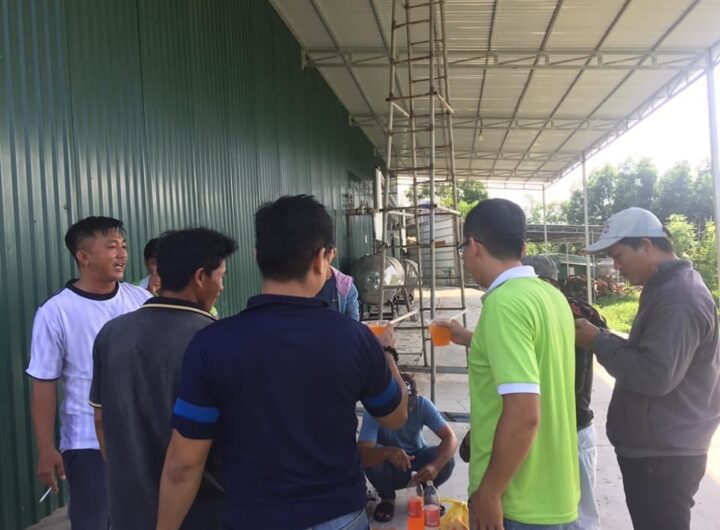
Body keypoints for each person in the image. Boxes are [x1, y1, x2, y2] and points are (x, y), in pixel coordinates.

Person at [156, 195, 408, 530]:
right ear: (322, 258)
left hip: (253, 517)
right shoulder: (353, 338)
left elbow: (184, 465)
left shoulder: (212, 344)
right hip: (338, 516)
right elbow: (395, 416)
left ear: (257, 256)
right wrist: (387, 353)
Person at [437, 199, 579, 530]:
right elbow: (532, 358)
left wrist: (489, 494)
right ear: (523, 248)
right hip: (557, 495)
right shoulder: (551, 297)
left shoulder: (504, 304)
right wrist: (470, 338)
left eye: (462, 249)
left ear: (473, 246)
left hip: (516, 502)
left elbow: (524, 413)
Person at [575, 207, 720, 530]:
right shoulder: (665, 287)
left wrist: (598, 341)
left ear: (646, 246)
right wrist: (604, 337)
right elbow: (649, 355)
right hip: (661, 447)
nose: (616, 266)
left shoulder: (678, 297)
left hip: (665, 454)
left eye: (619, 255)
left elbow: (655, 375)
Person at [89, 228, 238, 530]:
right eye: (221, 277)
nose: (221, 287)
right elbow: (196, 456)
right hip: (201, 511)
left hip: (129, 509)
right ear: (200, 277)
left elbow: (101, 420)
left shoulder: (112, 333)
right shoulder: (217, 340)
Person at [26, 216, 152, 530]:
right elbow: (43, 382)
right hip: (87, 443)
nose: (122, 254)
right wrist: (46, 448)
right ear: (83, 256)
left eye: (123, 246)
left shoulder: (142, 301)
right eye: (111, 247)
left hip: (141, 435)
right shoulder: (55, 312)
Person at [522, 255, 606, 530]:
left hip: (569, 428)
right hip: (564, 428)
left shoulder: (565, 314)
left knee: (577, 519)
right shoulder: (577, 311)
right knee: (568, 517)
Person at [359, 372, 458, 523]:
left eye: (409, 406)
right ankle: (387, 497)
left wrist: (435, 466)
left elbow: (451, 438)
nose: (405, 412)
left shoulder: (422, 405)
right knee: (372, 460)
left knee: (447, 459)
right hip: (390, 468)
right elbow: (363, 454)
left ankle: (427, 490)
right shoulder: (374, 412)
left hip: (417, 463)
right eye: (400, 407)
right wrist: (387, 452)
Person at [316, 244, 360, 320]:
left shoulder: (346, 286)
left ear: (334, 252)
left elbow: (353, 321)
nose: (321, 258)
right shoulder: (298, 284)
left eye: (327, 251)